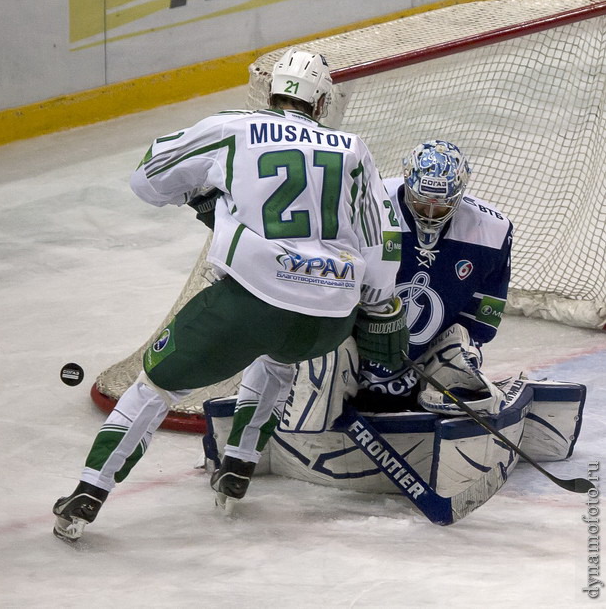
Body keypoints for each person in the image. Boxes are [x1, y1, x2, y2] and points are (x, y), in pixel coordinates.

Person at [52, 47, 408, 541]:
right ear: (323, 103)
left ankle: (88, 492)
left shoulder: (234, 128)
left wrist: (202, 198)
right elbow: (380, 241)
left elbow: (147, 180)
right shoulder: (353, 148)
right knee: (279, 359)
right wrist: (379, 306)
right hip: (328, 321)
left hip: (250, 306)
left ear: (271, 90)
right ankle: (238, 467)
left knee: (155, 387)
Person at [353, 139, 514, 416]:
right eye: (420, 201)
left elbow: (482, 319)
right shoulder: (371, 204)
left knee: (462, 347)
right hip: (358, 351)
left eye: (439, 206)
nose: (428, 213)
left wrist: (457, 362)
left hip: (424, 366)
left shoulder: (494, 230)